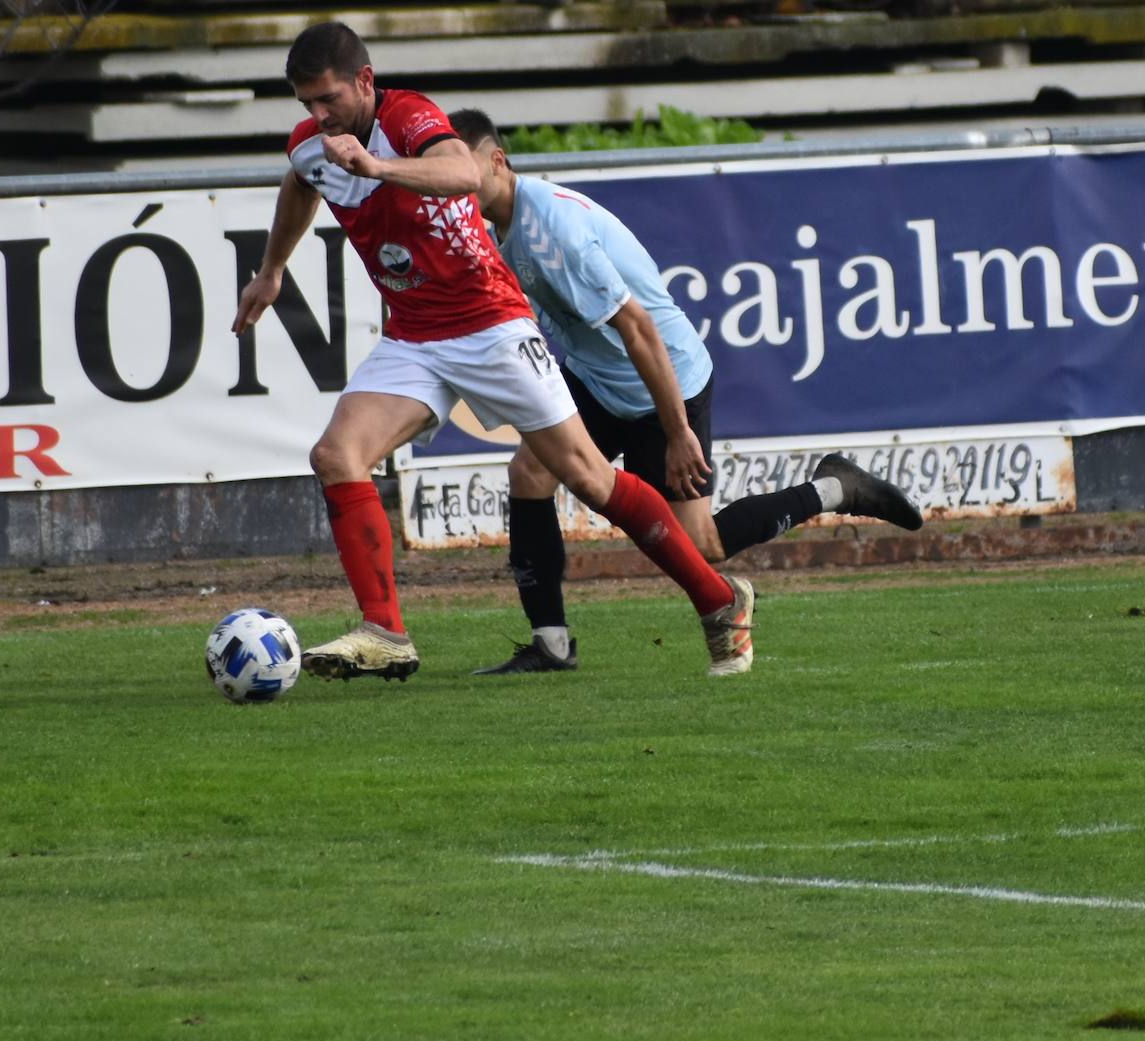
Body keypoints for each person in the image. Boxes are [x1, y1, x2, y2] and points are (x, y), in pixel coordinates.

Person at [232, 22, 756, 680]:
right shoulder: (314, 146)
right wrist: (272, 269)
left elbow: (458, 169)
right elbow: (300, 184)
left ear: (365, 82)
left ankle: (718, 601)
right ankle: (386, 631)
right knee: (337, 455)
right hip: (415, 335)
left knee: (590, 478)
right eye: (306, 103)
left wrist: (378, 167)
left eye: (328, 99)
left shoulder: (409, 117)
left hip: (490, 324)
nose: (318, 115)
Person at [448, 108, 924, 675]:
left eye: (462, 165)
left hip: (663, 384)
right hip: (598, 381)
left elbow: (640, 329)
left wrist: (676, 432)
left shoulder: (554, 231)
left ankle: (836, 488)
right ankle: (550, 643)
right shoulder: (487, 227)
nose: (452, 180)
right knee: (530, 473)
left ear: (496, 160)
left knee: (703, 546)